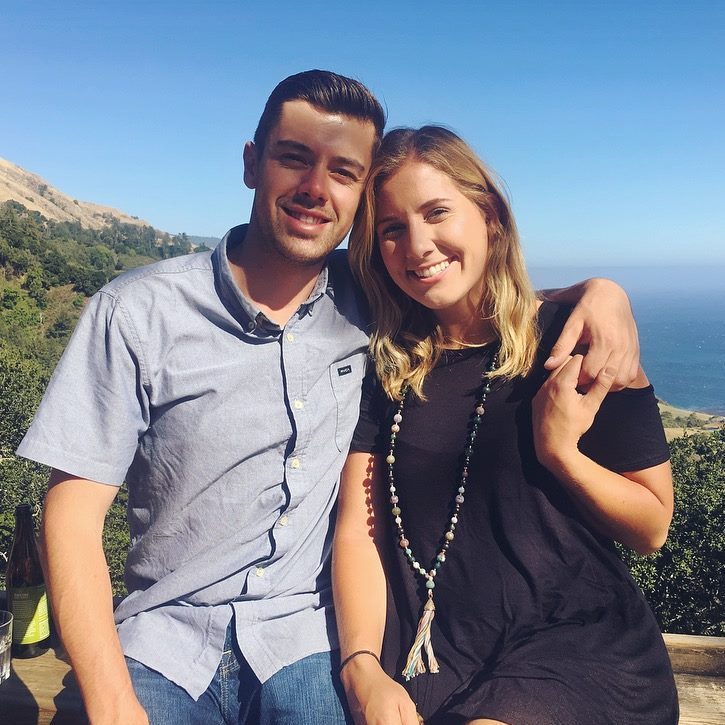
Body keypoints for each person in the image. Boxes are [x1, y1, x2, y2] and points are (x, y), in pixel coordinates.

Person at [18, 71, 641, 725]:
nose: (316, 188)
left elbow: (471, 294)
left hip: (305, 640)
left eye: (343, 172)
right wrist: (112, 702)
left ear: (360, 197)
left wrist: (599, 293)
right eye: (294, 158)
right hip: (162, 644)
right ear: (252, 164)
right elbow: (72, 518)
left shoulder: (370, 295)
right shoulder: (135, 313)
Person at [333, 126, 678, 724]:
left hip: (576, 651)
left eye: (437, 212)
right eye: (392, 229)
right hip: (433, 655)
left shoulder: (574, 339)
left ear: (490, 216)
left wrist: (561, 453)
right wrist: (360, 663)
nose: (418, 245)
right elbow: (360, 530)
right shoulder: (386, 366)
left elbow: (652, 526)